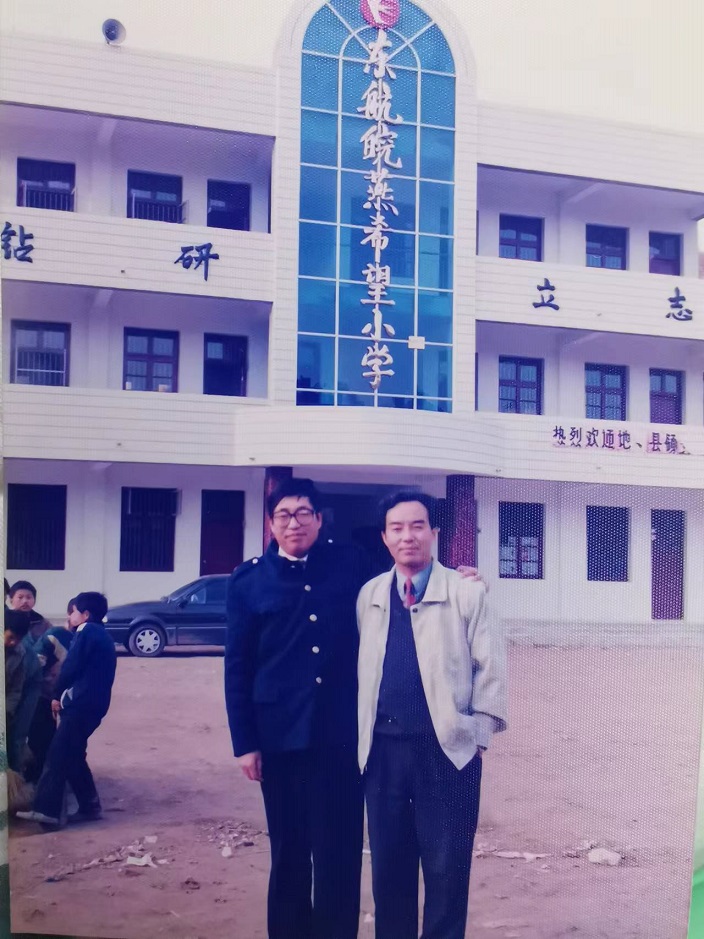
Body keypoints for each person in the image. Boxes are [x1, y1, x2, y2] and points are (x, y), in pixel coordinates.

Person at [356, 491, 508, 939]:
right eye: (397, 528)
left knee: (447, 871)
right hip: (383, 754)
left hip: (448, 753)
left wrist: (477, 736)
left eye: (417, 525)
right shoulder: (369, 595)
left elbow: (491, 669)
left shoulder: (466, 592)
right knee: (390, 872)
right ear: (385, 538)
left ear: (434, 532)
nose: (408, 536)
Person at [225, 478, 369, 939]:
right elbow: (238, 666)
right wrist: (245, 743)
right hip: (277, 737)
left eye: (304, 513)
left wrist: (461, 580)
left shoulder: (350, 564)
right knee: (289, 851)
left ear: (319, 520)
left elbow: (405, 579)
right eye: (284, 515)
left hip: (339, 735)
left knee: (338, 850)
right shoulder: (248, 580)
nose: (294, 523)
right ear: (271, 524)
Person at [16, 592, 116, 828]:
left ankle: (47, 812)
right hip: (95, 703)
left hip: (80, 704)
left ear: (85, 615)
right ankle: (90, 806)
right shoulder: (102, 635)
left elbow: (71, 666)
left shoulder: (86, 632)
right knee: (74, 754)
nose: (70, 617)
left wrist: (55, 693)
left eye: (73, 612)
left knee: (57, 755)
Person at [25, 598, 76, 783]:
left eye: (28, 597)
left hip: (58, 697)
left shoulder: (48, 627)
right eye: (20, 596)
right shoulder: (56, 634)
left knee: (49, 741)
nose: (24, 601)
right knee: (40, 739)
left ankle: (41, 780)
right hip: (41, 695)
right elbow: (35, 665)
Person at [5, 609, 31, 739]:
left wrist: (7, 712)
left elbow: (16, 688)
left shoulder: (20, 653)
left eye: (18, 639)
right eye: (10, 637)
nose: (13, 642)